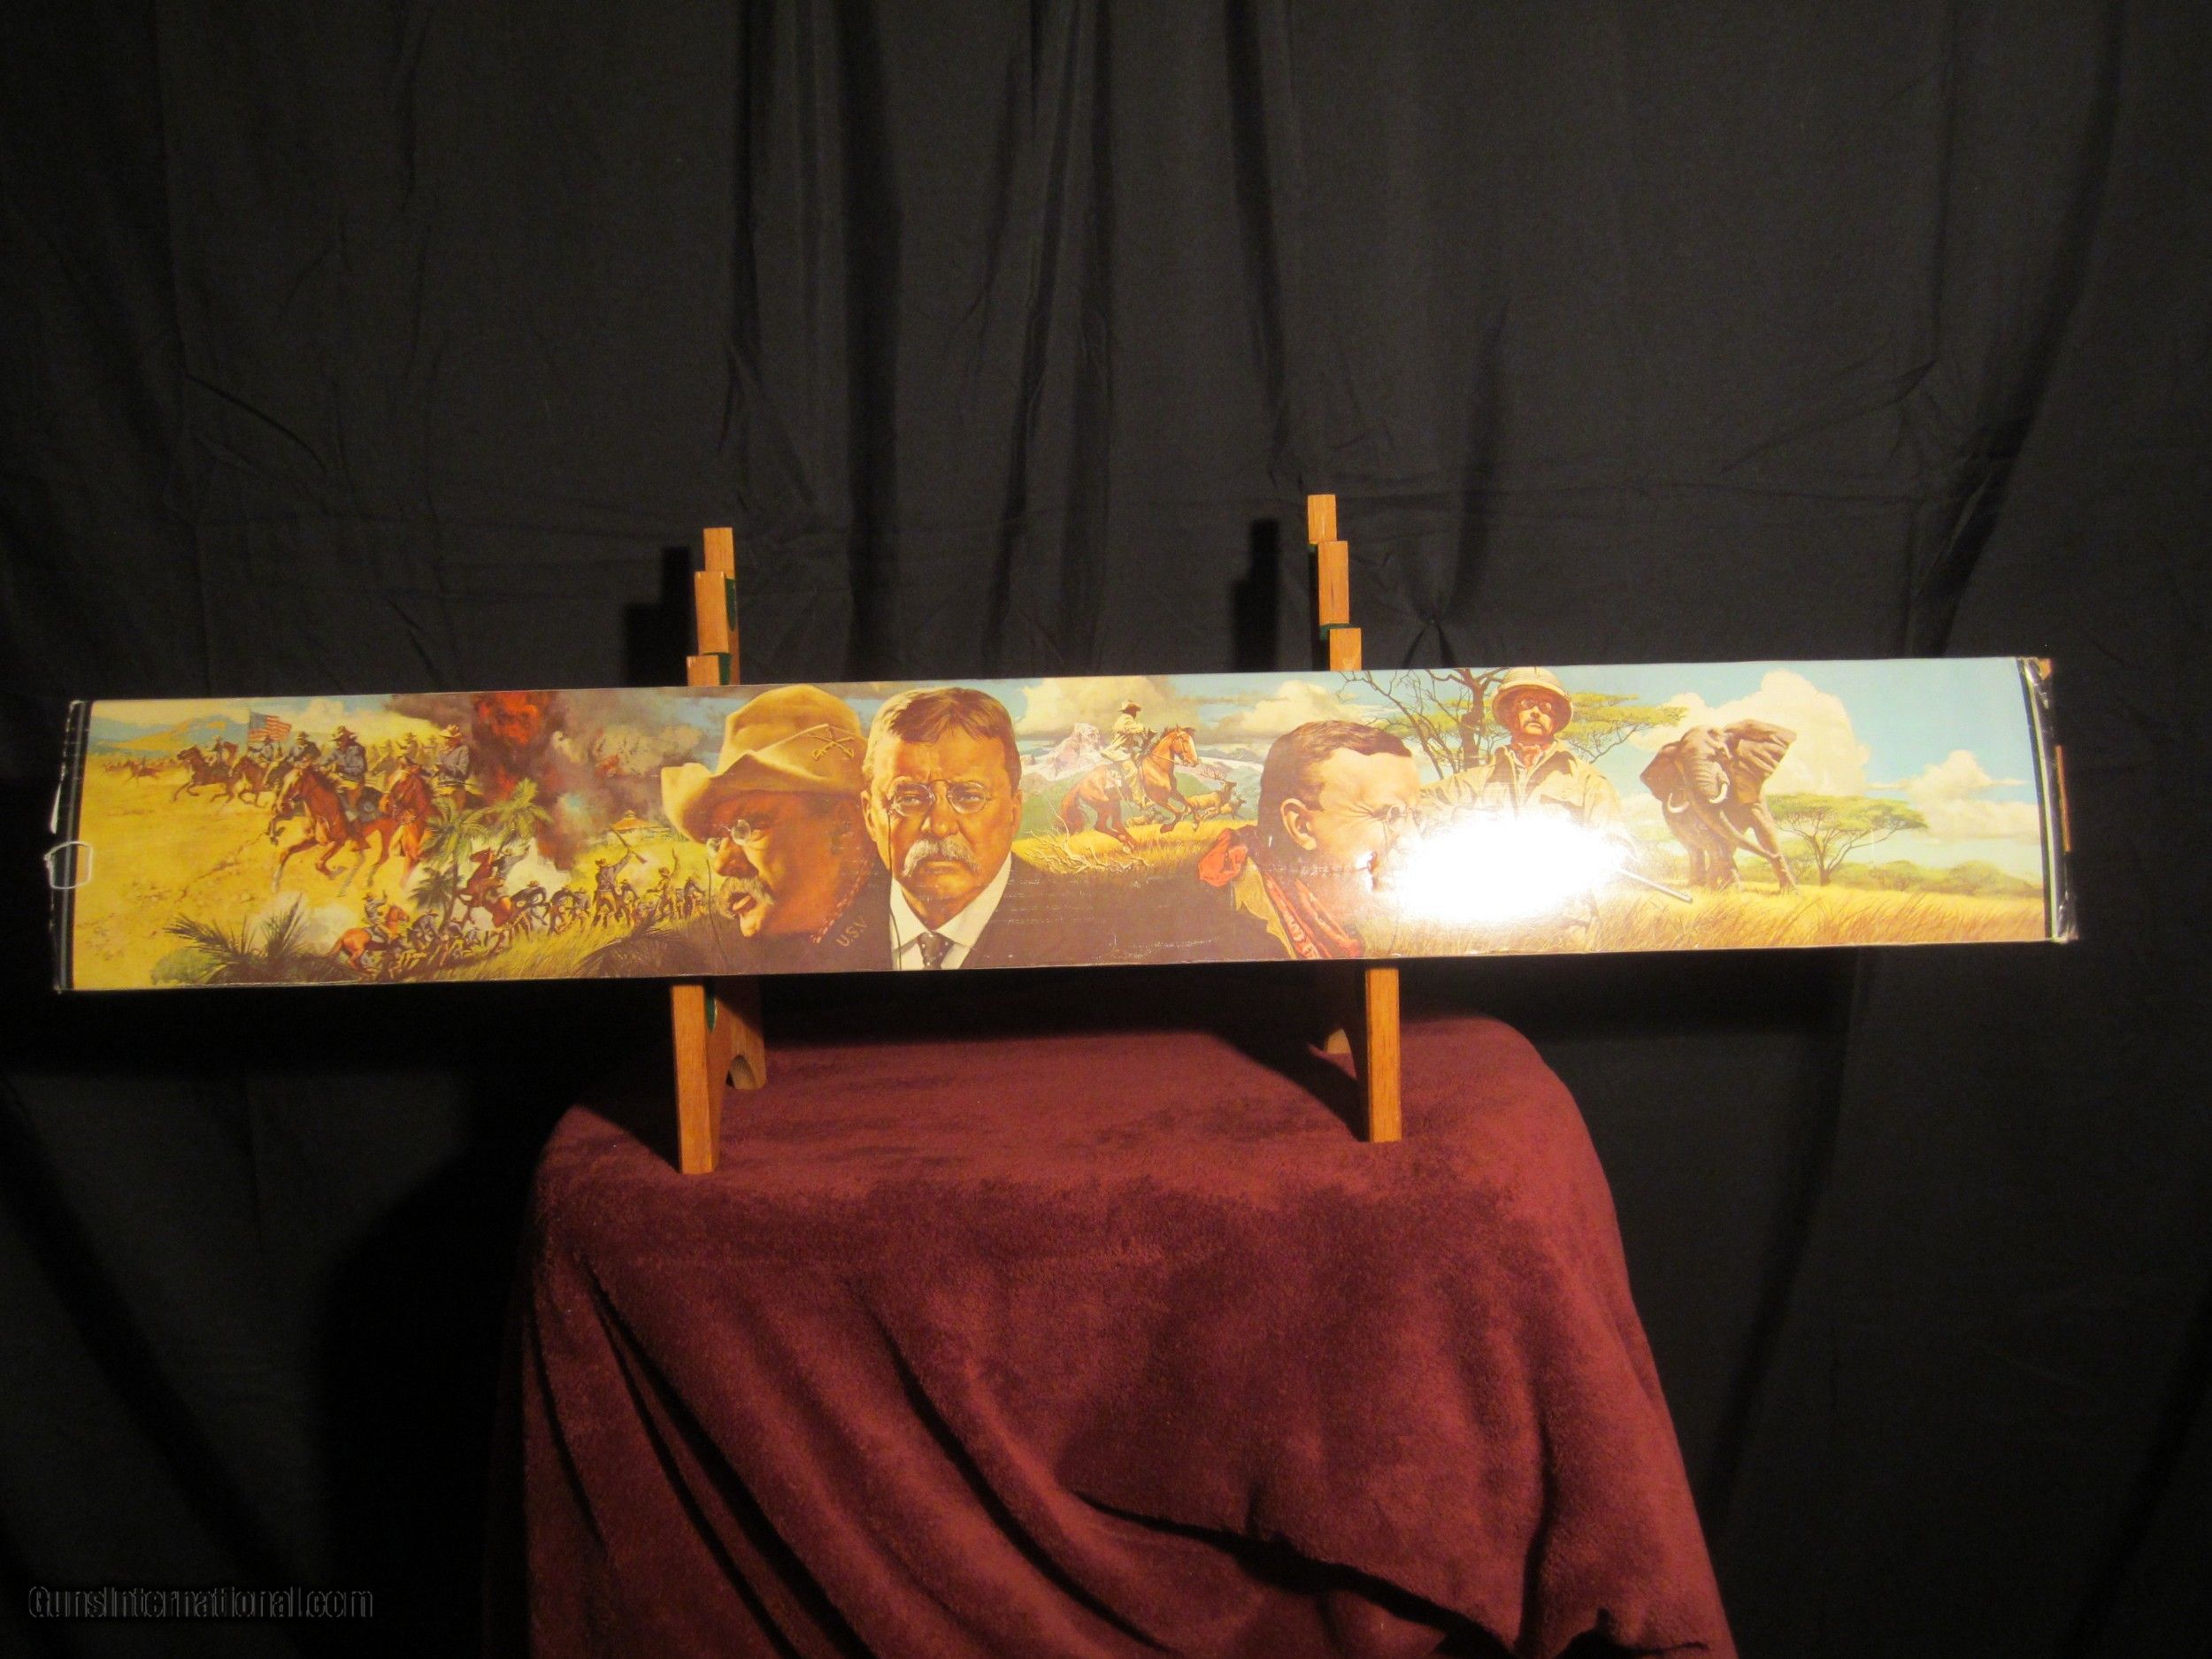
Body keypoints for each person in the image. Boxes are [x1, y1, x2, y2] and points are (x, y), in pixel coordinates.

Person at [660, 684, 887, 967]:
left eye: (748, 828)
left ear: (844, 826)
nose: (722, 864)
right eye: (718, 839)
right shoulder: (708, 951)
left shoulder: (909, 926)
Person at [862, 687, 1087, 970]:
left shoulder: (1085, 928)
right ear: (869, 816)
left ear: (1014, 813)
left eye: (969, 796)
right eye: (909, 798)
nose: (940, 826)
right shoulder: (823, 924)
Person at [1421, 666, 1632, 948]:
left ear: (1556, 720)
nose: (1536, 712)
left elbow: (1618, 847)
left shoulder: (1587, 779)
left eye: (1546, 707)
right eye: (1527, 704)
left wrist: (1587, 855)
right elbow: (1416, 804)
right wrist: (1457, 822)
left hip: (1567, 921)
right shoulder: (1479, 779)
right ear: (1510, 713)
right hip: (1494, 918)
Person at [1184, 720, 1422, 960]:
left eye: (1415, 815)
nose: (1415, 841)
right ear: (1301, 826)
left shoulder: (1339, 920)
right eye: (1390, 815)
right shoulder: (1225, 929)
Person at [326, 726, 373, 823]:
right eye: (336, 740)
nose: (338, 742)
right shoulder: (336, 750)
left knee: (343, 796)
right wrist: (321, 766)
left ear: (347, 738)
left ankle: (353, 821)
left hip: (356, 780)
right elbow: (325, 761)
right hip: (341, 779)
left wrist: (341, 769)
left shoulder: (356, 749)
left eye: (340, 740)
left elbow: (361, 769)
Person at [1106, 700, 1151, 795]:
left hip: (1125, 750)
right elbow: (1137, 729)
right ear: (1130, 710)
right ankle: (1140, 799)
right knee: (1133, 772)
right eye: (1134, 710)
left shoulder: (1125, 720)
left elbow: (1127, 735)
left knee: (1141, 760)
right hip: (1119, 751)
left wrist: (1139, 741)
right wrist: (1144, 732)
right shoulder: (1126, 719)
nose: (1136, 713)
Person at [433, 723, 472, 798]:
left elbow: (463, 772)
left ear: (456, 739)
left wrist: (446, 768)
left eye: (448, 738)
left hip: (455, 788)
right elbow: (437, 769)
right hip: (441, 789)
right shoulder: (442, 751)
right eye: (445, 738)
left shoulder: (463, 750)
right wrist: (435, 769)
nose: (445, 740)